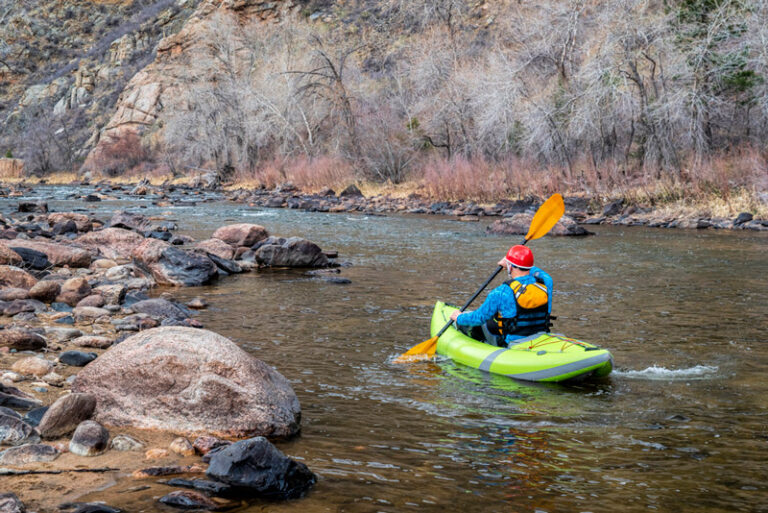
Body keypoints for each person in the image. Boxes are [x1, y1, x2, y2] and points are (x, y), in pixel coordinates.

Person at [449, 245, 553, 347]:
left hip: (513, 343)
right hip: (540, 336)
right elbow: (537, 271)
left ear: (510, 267)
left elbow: (479, 318)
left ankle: (479, 344)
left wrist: (459, 317)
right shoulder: (545, 283)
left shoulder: (501, 292)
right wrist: (512, 262)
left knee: (482, 323)